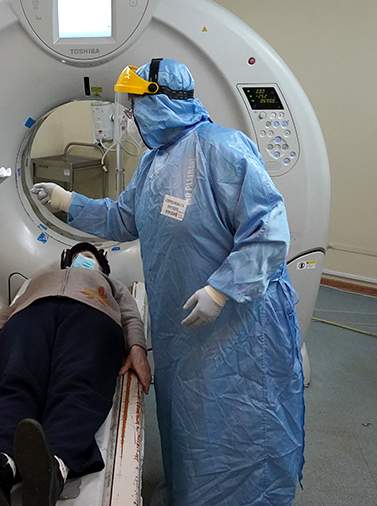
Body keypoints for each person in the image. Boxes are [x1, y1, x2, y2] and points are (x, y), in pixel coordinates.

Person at [32, 59, 305, 505]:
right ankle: (191, 493)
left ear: (158, 101)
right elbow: (124, 218)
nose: (130, 117)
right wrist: (68, 202)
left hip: (239, 324)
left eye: (134, 106)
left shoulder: (223, 149)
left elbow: (269, 230)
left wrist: (221, 289)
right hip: (183, 327)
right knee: (191, 418)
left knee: (239, 418)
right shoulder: (153, 164)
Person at [0, 243, 151, 506]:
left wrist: (137, 347)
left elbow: (131, 316)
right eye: (79, 256)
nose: (84, 260)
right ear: (67, 261)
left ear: (102, 268)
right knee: (15, 383)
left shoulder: (113, 285)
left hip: (92, 315)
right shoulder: (41, 278)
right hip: (30, 316)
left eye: (90, 257)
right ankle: (1, 467)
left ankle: (52, 469)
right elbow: (13, 307)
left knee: (78, 386)